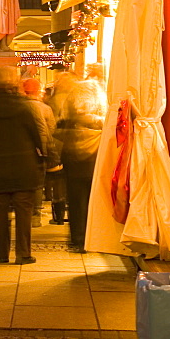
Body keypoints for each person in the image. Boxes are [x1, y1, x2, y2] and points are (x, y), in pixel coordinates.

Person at [0, 66, 47, 265]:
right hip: (25, 167)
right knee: (24, 212)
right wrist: (47, 158)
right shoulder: (26, 107)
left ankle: (2, 254)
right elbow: (39, 136)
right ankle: (23, 254)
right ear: (16, 85)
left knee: (0, 213)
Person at [55, 79, 107, 253]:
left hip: (74, 162)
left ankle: (78, 238)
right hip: (96, 160)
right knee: (96, 201)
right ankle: (95, 238)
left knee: (76, 201)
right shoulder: (103, 122)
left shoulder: (70, 118)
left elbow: (58, 128)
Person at [21, 77, 57, 227]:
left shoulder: (19, 106)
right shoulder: (45, 109)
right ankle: (35, 214)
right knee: (37, 184)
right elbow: (50, 130)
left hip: (21, 150)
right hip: (39, 151)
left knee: (23, 184)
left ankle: (25, 213)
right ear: (38, 92)